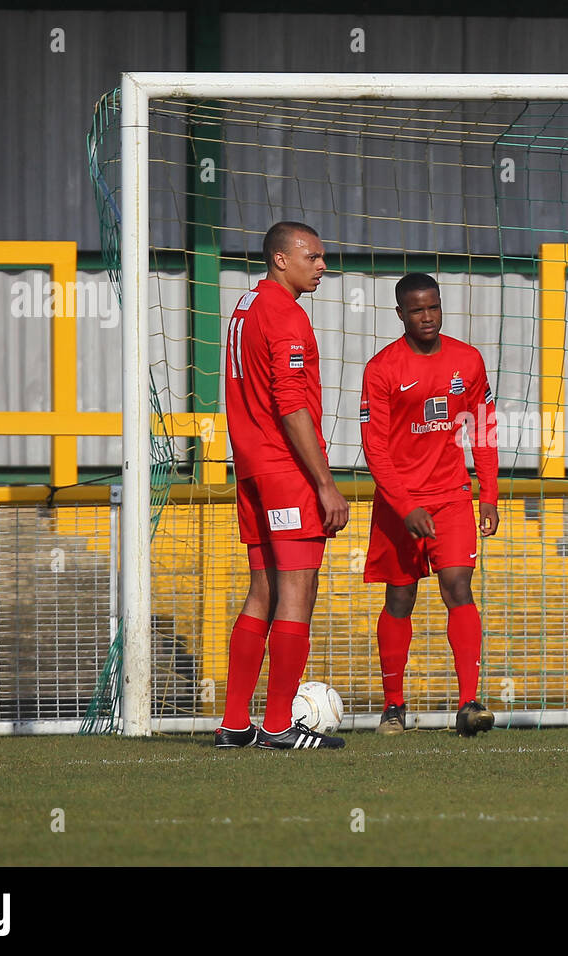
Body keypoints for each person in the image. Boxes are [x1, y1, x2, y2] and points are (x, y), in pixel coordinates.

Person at [215, 221, 349, 751]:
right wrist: (325, 485)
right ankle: (276, 727)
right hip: (285, 469)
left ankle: (233, 723)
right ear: (280, 259)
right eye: (313, 256)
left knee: (262, 590)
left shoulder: (244, 307)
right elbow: (291, 404)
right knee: (298, 591)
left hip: (250, 467)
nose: (322, 265)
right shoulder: (285, 314)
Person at [359, 273, 499, 737]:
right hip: (400, 504)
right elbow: (375, 448)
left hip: (452, 497)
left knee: (458, 586)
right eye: (417, 310)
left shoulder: (468, 360)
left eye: (433, 307)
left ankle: (469, 704)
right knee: (400, 598)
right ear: (400, 313)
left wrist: (489, 495)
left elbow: (482, 431)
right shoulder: (381, 369)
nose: (427, 317)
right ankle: (394, 707)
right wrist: (403, 505)